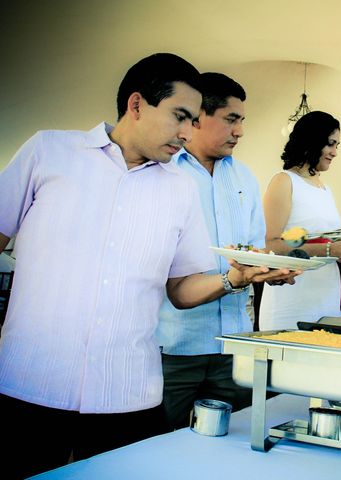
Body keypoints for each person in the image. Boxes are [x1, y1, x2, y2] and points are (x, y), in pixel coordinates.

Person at [0, 53, 298, 479]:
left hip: (128, 395)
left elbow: (181, 289)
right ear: (136, 104)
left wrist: (236, 277)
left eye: (194, 120)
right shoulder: (49, 152)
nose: (185, 132)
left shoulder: (178, 188)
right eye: (180, 116)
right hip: (27, 384)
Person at [155, 73, 280, 430]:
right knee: (160, 443)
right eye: (231, 119)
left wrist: (271, 270)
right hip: (174, 343)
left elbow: (254, 249)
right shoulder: (164, 173)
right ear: (198, 117)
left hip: (235, 344)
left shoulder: (245, 178)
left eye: (242, 121)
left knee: (234, 442)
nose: (239, 131)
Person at [260, 111, 341, 329]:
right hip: (292, 300)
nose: (335, 152)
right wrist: (329, 251)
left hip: (327, 297)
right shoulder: (284, 181)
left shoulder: (325, 188)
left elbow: (326, 240)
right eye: (330, 144)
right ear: (312, 141)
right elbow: (271, 245)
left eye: (337, 146)